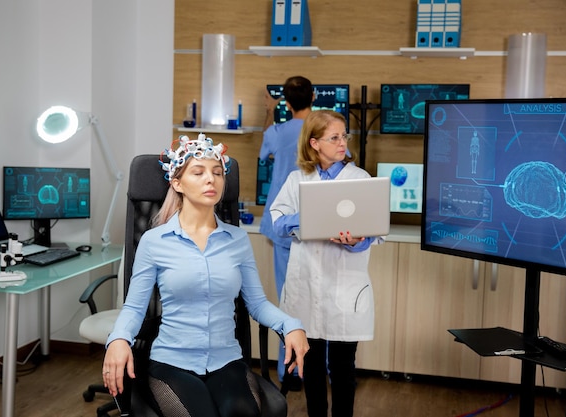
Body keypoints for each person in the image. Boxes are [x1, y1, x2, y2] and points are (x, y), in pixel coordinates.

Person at [102, 134, 309, 417]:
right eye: (198, 172)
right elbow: (135, 307)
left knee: (241, 413)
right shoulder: (154, 241)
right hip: (172, 362)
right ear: (177, 183)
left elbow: (257, 304)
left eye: (218, 173)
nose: (210, 179)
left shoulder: (237, 239)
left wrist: (291, 325)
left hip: (227, 361)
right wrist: (118, 339)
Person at [270, 110, 385, 417]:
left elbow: (374, 230)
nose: (342, 143)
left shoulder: (359, 179)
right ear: (315, 143)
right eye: (334, 137)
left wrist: (357, 240)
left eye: (344, 136)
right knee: (312, 363)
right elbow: (277, 221)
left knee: (343, 367)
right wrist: (309, 218)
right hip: (307, 284)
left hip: (345, 285)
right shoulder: (297, 180)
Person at [259, 75, 313, 386]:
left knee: (287, 301)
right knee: (317, 299)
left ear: (287, 102)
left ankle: (289, 371)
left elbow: (262, 153)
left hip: (282, 224)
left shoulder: (279, 131)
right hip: (315, 222)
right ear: (314, 96)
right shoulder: (320, 130)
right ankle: (320, 369)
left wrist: (270, 110)